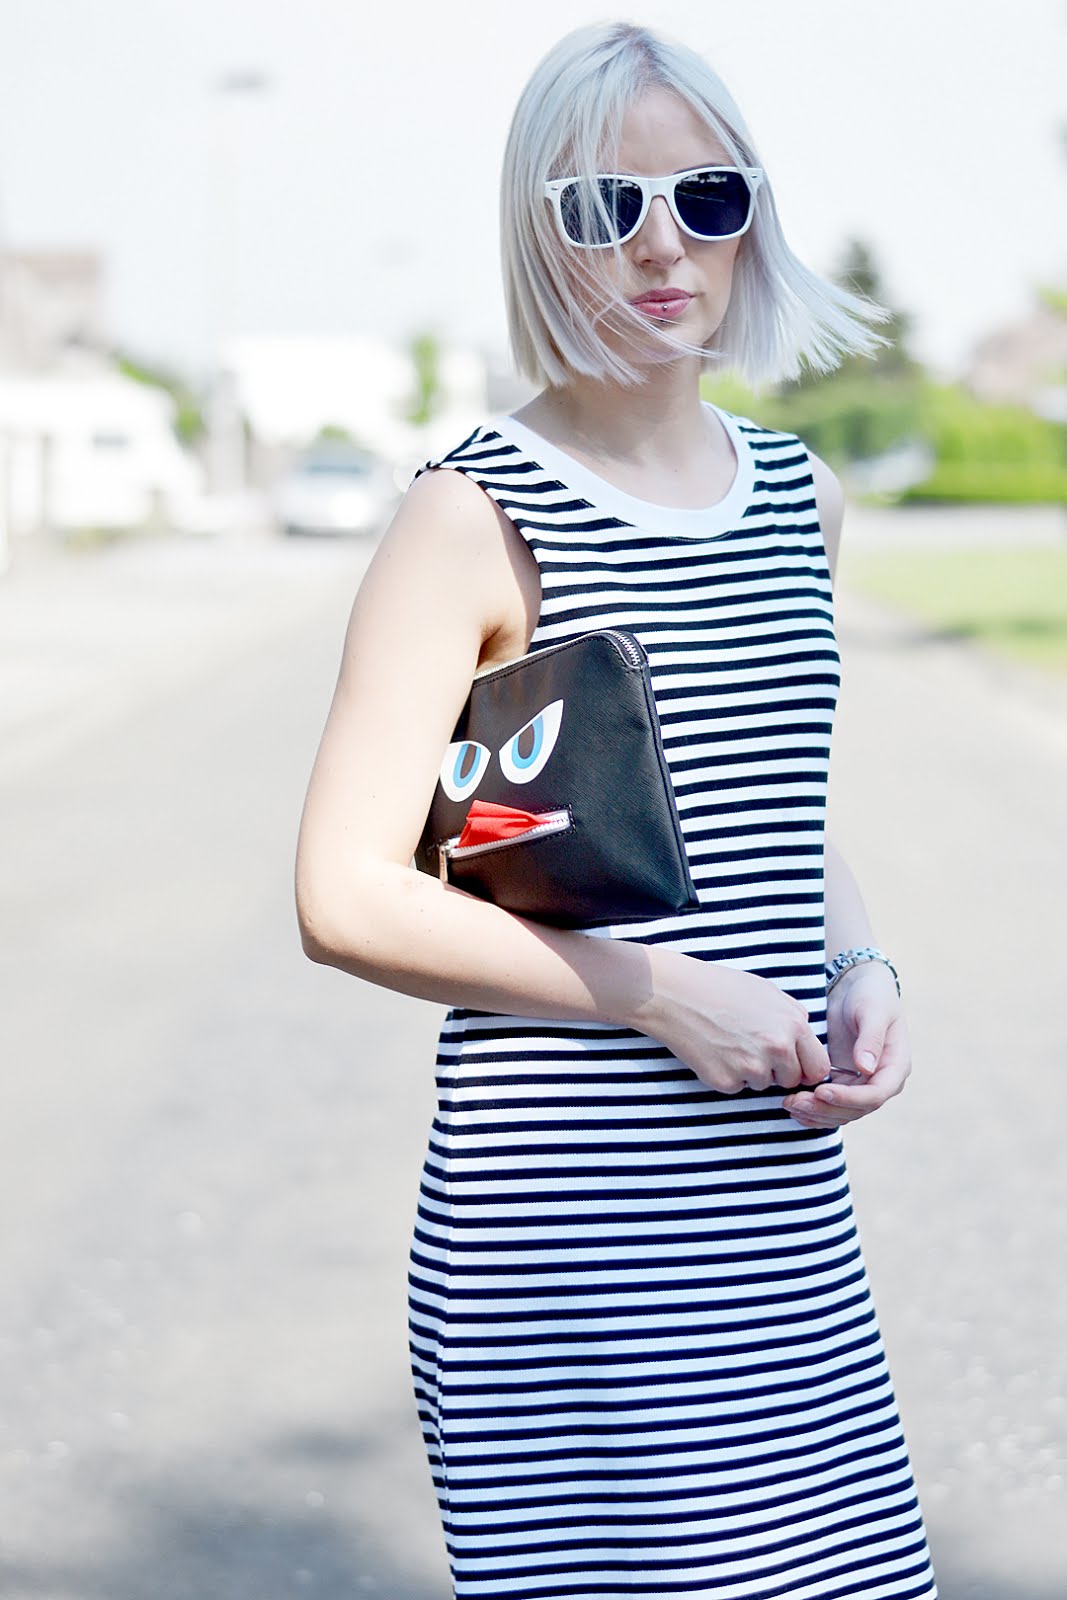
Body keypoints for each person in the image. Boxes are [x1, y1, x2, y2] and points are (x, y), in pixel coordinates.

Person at [295, 20, 938, 1600]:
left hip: (783, 1239)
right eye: (602, 206)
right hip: (570, 1261)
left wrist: (863, 973)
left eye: (704, 200)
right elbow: (346, 895)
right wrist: (665, 1001)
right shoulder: (473, 515)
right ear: (539, 232)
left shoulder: (800, 493)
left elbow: (771, 810)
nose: (662, 245)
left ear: (751, 221)